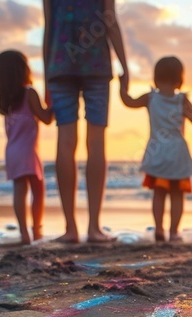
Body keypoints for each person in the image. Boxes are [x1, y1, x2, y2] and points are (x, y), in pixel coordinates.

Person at [43, 0, 129, 243]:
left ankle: (70, 229)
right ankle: (94, 228)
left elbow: (49, 28)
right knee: (96, 143)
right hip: (97, 64)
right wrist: (124, 66)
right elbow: (110, 21)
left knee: (66, 141)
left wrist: (47, 76)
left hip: (59, 66)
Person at [120, 57, 192, 242]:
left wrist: (123, 84)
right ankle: (174, 231)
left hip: (157, 150)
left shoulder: (150, 97)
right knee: (177, 194)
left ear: (155, 78)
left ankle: (159, 229)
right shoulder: (182, 101)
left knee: (159, 193)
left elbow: (128, 101)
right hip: (178, 152)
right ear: (180, 80)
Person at [0, 50, 54, 245]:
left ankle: (24, 233)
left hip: (12, 151)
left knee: (20, 190)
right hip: (28, 150)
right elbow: (46, 118)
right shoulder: (29, 93)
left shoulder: (6, 99)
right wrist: (52, 99)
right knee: (38, 190)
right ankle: (37, 231)